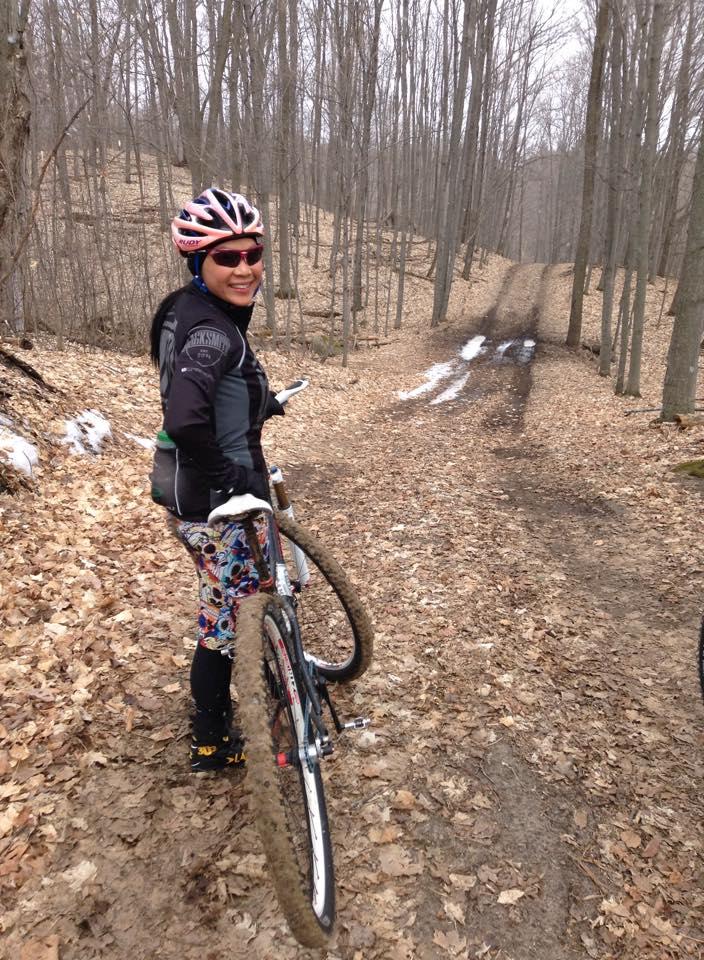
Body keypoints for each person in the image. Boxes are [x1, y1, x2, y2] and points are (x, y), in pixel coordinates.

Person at [149, 187, 284, 772]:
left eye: (252, 254)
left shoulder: (183, 310)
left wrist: (261, 401)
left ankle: (231, 706)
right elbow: (184, 416)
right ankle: (209, 737)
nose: (245, 268)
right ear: (197, 260)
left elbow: (200, 385)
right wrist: (231, 477)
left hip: (185, 488)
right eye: (226, 258)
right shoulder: (214, 332)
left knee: (224, 602)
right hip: (215, 496)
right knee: (227, 618)